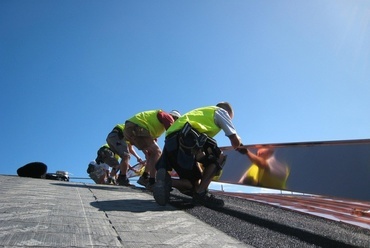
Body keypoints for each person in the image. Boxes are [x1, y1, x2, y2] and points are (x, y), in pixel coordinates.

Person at [153, 102, 242, 207]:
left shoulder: (199, 113)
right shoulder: (221, 112)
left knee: (193, 184)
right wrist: (240, 144)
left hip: (170, 145)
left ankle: (166, 181)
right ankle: (201, 194)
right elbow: (235, 141)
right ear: (227, 113)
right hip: (187, 139)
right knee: (219, 157)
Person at [123, 109, 177, 190]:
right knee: (158, 152)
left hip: (129, 129)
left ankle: (145, 177)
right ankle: (152, 181)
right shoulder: (167, 116)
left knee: (152, 154)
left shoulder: (157, 127)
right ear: (175, 118)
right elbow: (172, 133)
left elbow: (153, 141)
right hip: (137, 126)